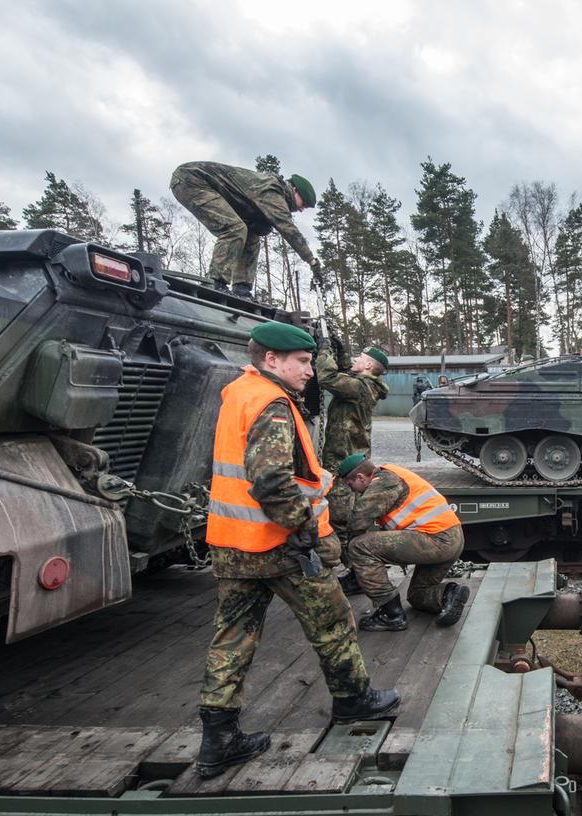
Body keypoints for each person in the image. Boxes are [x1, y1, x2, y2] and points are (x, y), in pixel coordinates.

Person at [196, 321, 397, 778]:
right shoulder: (273, 404)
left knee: (231, 638)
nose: (309, 371)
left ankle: (218, 739)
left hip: (232, 544)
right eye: (302, 362)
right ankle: (353, 701)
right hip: (280, 545)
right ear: (272, 359)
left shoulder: (238, 394)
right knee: (332, 623)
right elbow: (271, 480)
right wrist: (304, 527)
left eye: (311, 361)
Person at [330, 454, 470, 631]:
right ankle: (448, 594)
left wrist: (348, 557)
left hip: (436, 540)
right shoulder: (390, 473)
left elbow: (358, 519)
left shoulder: (384, 481)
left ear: (360, 477)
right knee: (417, 595)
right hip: (451, 538)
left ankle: (391, 613)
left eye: (351, 485)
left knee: (358, 547)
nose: (354, 491)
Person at [169, 160, 321, 299]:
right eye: (304, 205)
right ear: (294, 190)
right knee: (234, 228)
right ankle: (216, 281)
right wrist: (311, 261)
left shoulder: (274, 192)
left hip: (198, 183)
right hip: (192, 180)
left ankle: (242, 287)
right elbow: (288, 228)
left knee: (251, 234)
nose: (301, 210)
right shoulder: (273, 190)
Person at [314, 327, 390, 474]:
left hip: (345, 463)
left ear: (368, 365)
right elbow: (347, 368)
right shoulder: (364, 383)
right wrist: (339, 348)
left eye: (360, 357)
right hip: (347, 459)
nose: (355, 359)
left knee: (341, 496)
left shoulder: (361, 387)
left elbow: (326, 377)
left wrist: (324, 349)